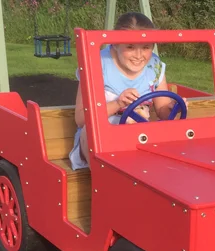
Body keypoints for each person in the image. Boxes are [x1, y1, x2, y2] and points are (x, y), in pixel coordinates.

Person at [69, 12, 184, 170]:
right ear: (115, 44)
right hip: (100, 139)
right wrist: (117, 103)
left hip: (139, 137)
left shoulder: (154, 66)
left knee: (173, 149)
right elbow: (82, 118)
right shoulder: (95, 64)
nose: (139, 55)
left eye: (146, 47)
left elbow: (162, 111)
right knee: (93, 133)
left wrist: (173, 108)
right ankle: (106, 184)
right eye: (130, 47)